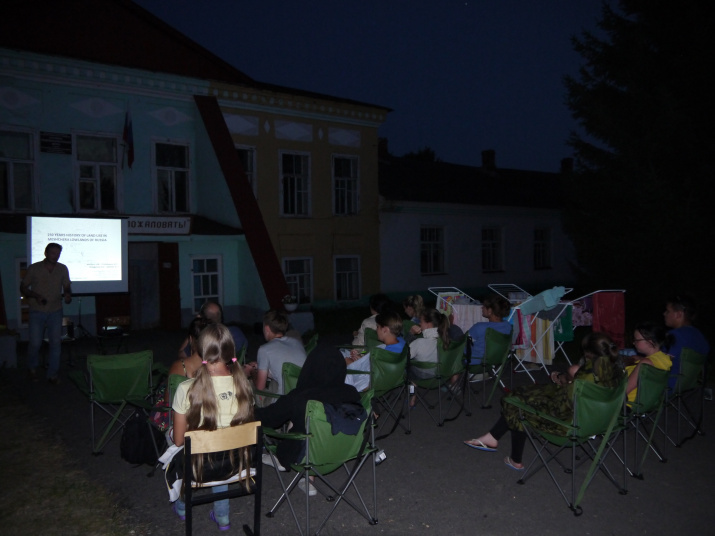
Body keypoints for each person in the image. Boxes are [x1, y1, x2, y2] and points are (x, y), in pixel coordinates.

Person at [464, 332, 623, 470]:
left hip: (569, 424)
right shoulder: (616, 371)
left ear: (588, 353)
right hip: (599, 420)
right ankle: (492, 437)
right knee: (521, 393)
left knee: (515, 402)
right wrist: (564, 382)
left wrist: (561, 386)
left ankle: (515, 459)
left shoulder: (585, 375)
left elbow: (559, 408)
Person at [170, 323, 255, 530]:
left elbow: (179, 440)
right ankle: (222, 515)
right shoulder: (244, 386)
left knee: (180, 440)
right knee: (221, 446)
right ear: (230, 350)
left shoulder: (186, 389)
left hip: (199, 467)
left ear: (200, 350)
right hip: (237, 462)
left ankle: (181, 506)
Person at [255, 351, 362, 496]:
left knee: (300, 415)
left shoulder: (301, 396)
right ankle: (308, 478)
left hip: (309, 455)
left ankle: (286, 461)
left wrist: (247, 411)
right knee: (307, 418)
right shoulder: (352, 393)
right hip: (345, 451)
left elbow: (269, 419)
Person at [20, 242, 72, 384]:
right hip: (37, 311)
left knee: (56, 343)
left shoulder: (62, 268)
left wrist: (67, 294)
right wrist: (35, 295)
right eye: (53, 253)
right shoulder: (34, 268)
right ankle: (32, 369)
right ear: (46, 253)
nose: (56, 256)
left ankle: (52, 374)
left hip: (55, 310)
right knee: (35, 343)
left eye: (58, 253)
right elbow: (23, 287)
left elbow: (66, 285)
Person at [344, 310, 406, 392]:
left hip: (372, 382)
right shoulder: (401, 342)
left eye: (378, 327)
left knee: (345, 359)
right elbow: (371, 357)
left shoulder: (385, 353)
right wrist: (360, 356)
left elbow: (371, 370)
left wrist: (357, 361)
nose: (376, 330)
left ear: (385, 330)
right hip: (389, 378)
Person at [662, 295, 710, 390]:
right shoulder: (699, 336)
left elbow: (661, 361)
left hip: (669, 385)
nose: (664, 314)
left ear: (679, 314)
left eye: (668, 311)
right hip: (689, 386)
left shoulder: (675, 336)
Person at [254, 309, 307, 394]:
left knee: (249, 386)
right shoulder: (296, 342)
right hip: (304, 395)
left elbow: (260, 388)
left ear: (267, 329)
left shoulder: (264, 350)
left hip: (282, 400)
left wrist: (252, 372)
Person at [178, 301, 248, 360]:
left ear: (201, 318)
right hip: (231, 371)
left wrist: (194, 329)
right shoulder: (237, 332)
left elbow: (182, 356)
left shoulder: (201, 340)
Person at [627, 321, 673, 405]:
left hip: (628, 403)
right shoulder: (665, 359)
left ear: (650, 342)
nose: (634, 343)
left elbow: (625, 390)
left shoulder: (645, 364)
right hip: (648, 403)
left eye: (637, 340)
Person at [466, 294, 512, 365]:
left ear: (490, 311)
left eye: (484, 306)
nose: (482, 308)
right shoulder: (508, 326)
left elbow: (463, 342)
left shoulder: (480, 327)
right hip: (497, 359)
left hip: (476, 360)